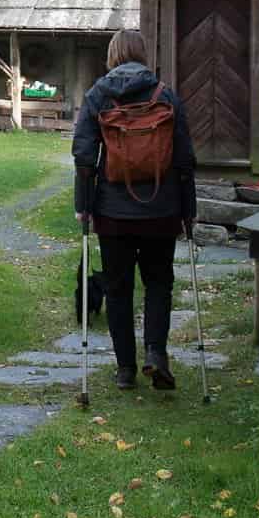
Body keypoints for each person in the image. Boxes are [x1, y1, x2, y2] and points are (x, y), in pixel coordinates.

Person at [73, 28, 195, 391]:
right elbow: (185, 158)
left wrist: (84, 206)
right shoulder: (165, 95)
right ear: (142, 55)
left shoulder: (98, 95)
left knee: (118, 288)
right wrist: (188, 210)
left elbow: (83, 157)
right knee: (158, 283)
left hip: (113, 213)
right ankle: (156, 354)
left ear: (112, 56)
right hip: (162, 209)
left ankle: (125, 369)